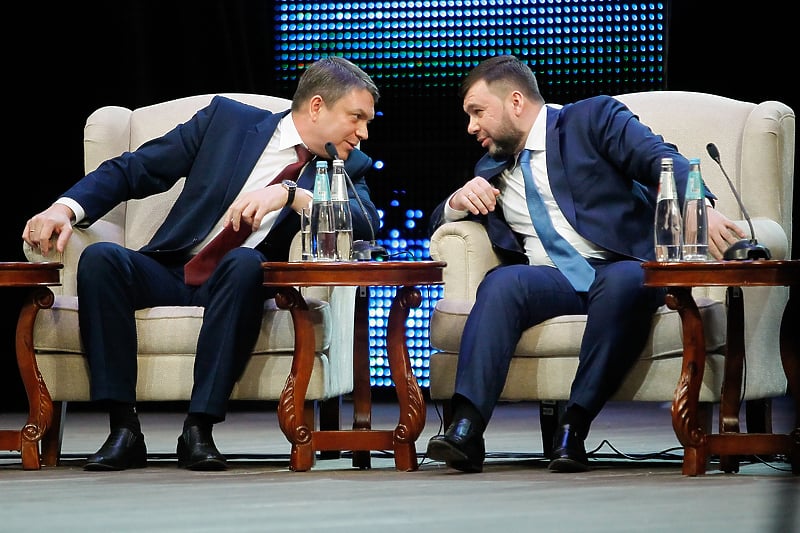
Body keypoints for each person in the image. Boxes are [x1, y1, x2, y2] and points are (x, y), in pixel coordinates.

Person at [22, 56, 381, 472]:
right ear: (317, 106)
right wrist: (63, 209)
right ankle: (123, 429)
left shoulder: (346, 164)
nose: (363, 133)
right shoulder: (226, 122)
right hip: (173, 267)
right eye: (357, 118)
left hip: (237, 283)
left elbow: (366, 224)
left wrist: (292, 196)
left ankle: (199, 429)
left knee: (246, 263)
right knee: (101, 259)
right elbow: (136, 169)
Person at [425, 55, 747, 473]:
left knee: (630, 280)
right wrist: (455, 202)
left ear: (516, 102)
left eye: (477, 112)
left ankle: (572, 428)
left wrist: (696, 204)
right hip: (550, 281)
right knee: (501, 283)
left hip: (615, 268)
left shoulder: (591, 119)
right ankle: (465, 430)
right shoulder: (491, 167)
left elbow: (660, 158)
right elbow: (437, 219)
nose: (471, 126)